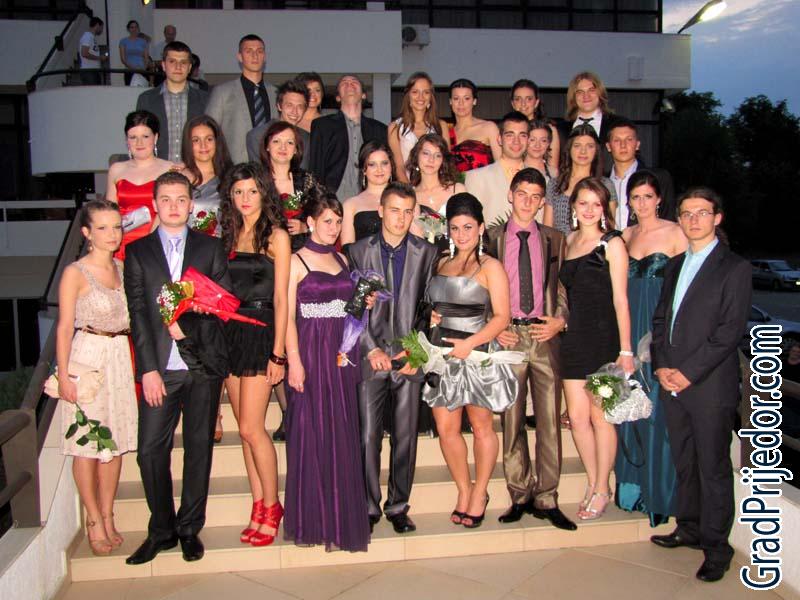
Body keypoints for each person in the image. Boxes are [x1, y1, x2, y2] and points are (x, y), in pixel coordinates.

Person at [124, 171, 232, 565]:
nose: (173, 206)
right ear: (155, 204)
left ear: (191, 204)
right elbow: (138, 313)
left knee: (198, 448)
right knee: (150, 451)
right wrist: (147, 369)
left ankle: (189, 528)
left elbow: (223, 305)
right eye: (166, 199)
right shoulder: (138, 252)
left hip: (201, 365)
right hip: (160, 369)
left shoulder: (210, 247)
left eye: (181, 199)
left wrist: (193, 321)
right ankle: (161, 529)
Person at [650, 188, 751, 583]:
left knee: (713, 468)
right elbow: (661, 320)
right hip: (672, 381)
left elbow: (729, 332)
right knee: (685, 461)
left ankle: (717, 548)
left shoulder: (735, 268)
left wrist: (688, 372)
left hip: (708, 385)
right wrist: (662, 365)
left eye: (702, 213)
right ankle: (689, 527)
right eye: (687, 213)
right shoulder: (675, 265)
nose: (693, 220)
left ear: (717, 218)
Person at [346, 182, 438, 534]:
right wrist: (370, 347)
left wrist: (416, 350)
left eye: (407, 211)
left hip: (409, 355)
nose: (400, 218)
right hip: (371, 355)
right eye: (394, 210)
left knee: (405, 436)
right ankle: (368, 507)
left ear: (414, 214)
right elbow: (353, 309)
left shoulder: (427, 253)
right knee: (368, 435)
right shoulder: (357, 251)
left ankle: (398, 506)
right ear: (381, 210)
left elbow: (429, 309)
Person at [485, 169, 575, 532]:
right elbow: (480, 288)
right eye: (522, 193)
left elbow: (562, 286)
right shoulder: (491, 238)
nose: (528, 201)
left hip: (544, 334)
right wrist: (495, 325)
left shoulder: (554, 238)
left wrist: (560, 320)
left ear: (542, 202)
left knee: (549, 420)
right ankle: (520, 493)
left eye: (536, 196)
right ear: (511, 195)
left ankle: (547, 496)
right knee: (512, 419)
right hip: (509, 336)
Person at [284, 191, 371, 552]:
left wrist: (364, 302)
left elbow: (350, 311)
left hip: (341, 354)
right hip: (309, 351)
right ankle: (314, 520)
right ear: (310, 222)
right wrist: (294, 360)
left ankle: (339, 518)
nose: (334, 228)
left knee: (341, 430)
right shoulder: (294, 261)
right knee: (311, 431)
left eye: (338, 221)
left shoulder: (342, 258)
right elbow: (286, 317)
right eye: (327, 221)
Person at [424, 193, 515, 528]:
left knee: (481, 426)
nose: (461, 234)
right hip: (442, 355)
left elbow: (502, 317)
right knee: (446, 429)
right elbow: (431, 303)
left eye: (468, 227)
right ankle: (464, 490)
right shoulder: (439, 263)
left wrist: (471, 344)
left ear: (480, 228)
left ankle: (480, 492)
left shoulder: (491, 266)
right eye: (455, 228)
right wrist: (430, 316)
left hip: (476, 355)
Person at [56, 200, 137, 556]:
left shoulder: (123, 268)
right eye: (102, 227)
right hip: (87, 357)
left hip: (119, 358)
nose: (112, 234)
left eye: (117, 226)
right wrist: (64, 376)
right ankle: (92, 519)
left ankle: (108, 513)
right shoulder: (75, 272)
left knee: (113, 443)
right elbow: (63, 327)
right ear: (87, 233)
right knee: (87, 444)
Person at [218, 163, 290, 547]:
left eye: (251, 191)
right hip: (232, 331)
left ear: (263, 192)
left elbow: (282, 298)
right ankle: (258, 504)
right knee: (243, 432)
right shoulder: (228, 235)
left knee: (251, 427)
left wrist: (278, 354)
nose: (245, 199)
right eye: (238, 192)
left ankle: (274, 505)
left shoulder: (276, 235)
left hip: (263, 331)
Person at [615, 170, 687, 526]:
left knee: (659, 412)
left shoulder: (676, 233)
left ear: (659, 199)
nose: (641, 203)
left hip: (660, 329)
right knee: (629, 408)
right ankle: (632, 488)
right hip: (627, 330)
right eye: (635, 197)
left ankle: (660, 494)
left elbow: (686, 291)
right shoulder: (624, 236)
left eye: (647, 196)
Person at [559, 177, 633, 521]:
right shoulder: (568, 241)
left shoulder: (612, 243)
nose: (589, 210)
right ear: (573, 206)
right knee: (577, 418)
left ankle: (603, 487)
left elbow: (621, 300)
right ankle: (593, 481)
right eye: (583, 203)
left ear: (604, 209)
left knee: (601, 417)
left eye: (596, 204)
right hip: (573, 340)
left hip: (604, 341)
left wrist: (626, 351)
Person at [106, 110, 174, 261]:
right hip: (120, 244)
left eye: (145, 136)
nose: (139, 143)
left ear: (156, 137)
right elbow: (109, 212)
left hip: (156, 243)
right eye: (133, 137)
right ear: (127, 140)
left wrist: (149, 244)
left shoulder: (170, 169)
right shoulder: (116, 169)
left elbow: (168, 211)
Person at [309, 74, 387, 200]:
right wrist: (317, 200)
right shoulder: (322, 126)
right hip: (333, 200)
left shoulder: (380, 129)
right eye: (344, 83)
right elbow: (315, 167)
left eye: (354, 82)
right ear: (338, 97)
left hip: (370, 199)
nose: (349, 84)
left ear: (363, 95)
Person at [206, 34, 278, 163]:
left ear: (264, 56)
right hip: (235, 168)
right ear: (240, 57)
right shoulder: (222, 92)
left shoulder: (275, 93)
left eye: (259, 51)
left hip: (270, 167)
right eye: (249, 51)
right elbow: (208, 132)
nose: (255, 56)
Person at [136, 41, 209, 163]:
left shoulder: (205, 99)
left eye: (183, 62)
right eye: (172, 61)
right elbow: (140, 139)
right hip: (157, 170)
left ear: (189, 67)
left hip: (194, 170)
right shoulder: (146, 100)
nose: (178, 67)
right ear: (163, 65)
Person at [544, 124, 617, 236]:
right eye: (577, 146)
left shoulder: (605, 185)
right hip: (559, 246)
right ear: (569, 149)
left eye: (589, 146)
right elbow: (547, 229)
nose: (583, 151)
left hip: (593, 245)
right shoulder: (555, 184)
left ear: (596, 151)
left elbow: (609, 228)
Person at [606, 118, 676, 228]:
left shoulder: (659, 178)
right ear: (608, 146)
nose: (623, 145)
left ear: (637, 144)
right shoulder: (601, 182)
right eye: (617, 140)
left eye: (629, 139)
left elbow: (669, 219)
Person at [465, 111, 530, 226]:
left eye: (522, 135)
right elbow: (471, 223)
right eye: (510, 135)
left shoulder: (543, 179)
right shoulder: (477, 177)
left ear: (528, 140)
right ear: (499, 139)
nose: (516, 141)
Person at [388, 72, 449, 182]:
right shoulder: (395, 128)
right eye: (415, 92)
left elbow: (446, 162)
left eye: (426, 92)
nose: (420, 97)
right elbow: (398, 166)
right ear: (408, 96)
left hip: (436, 186)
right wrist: (409, 190)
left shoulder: (441, 126)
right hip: (406, 186)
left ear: (431, 97)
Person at [180, 115, 233, 237]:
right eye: (196, 140)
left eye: (209, 139)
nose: (203, 145)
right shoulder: (178, 178)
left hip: (221, 244)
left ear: (217, 142)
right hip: (183, 244)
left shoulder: (231, 178)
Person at [557, 72, 618, 168]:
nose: (586, 96)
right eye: (580, 92)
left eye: (591, 90)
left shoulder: (616, 125)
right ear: (573, 97)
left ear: (600, 93)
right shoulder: (560, 129)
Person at [246, 79, 311, 168]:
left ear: (305, 110)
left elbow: (303, 170)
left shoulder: (305, 138)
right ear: (279, 106)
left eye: (300, 107)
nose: (294, 112)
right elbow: (257, 172)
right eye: (289, 105)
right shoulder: (257, 135)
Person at [340, 141, 394, 245]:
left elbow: (417, 246)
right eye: (372, 165)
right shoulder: (350, 205)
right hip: (363, 256)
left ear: (391, 166)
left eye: (384, 163)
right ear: (364, 170)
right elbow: (348, 248)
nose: (379, 169)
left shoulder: (406, 199)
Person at [407, 133, 466, 218]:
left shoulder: (457, 190)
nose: (431, 160)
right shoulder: (410, 196)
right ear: (416, 156)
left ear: (443, 160)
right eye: (426, 153)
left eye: (438, 155)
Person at [448, 79, 501, 173]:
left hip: (484, 182)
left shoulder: (489, 127)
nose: (461, 103)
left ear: (474, 101)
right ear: (450, 101)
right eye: (456, 98)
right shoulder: (447, 134)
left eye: (466, 98)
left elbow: (501, 165)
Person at [510, 79, 560, 174]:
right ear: (512, 103)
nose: (523, 104)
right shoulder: (507, 130)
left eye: (529, 99)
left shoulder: (549, 129)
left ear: (536, 102)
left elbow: (553, 169)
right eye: (518, 99)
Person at [118, 20, 150, 87]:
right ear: (128, 29)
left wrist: (144, 68)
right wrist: (133, 68)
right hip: (129, 70)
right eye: (132, 27)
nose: (134, 29)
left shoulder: (143, 42)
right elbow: (123, 59)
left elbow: (146, 58)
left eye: (136, 27)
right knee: (130, 90)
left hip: (142, 70)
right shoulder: (123, 41)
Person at [79, 17, 105, 86]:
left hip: (93, 71)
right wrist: (100, 58)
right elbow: (84, 53)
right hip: (89, 71)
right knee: (92, 91)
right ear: (97, 25)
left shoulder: (91, 37)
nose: (102, 30)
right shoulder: (88, 36)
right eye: (101, 27)